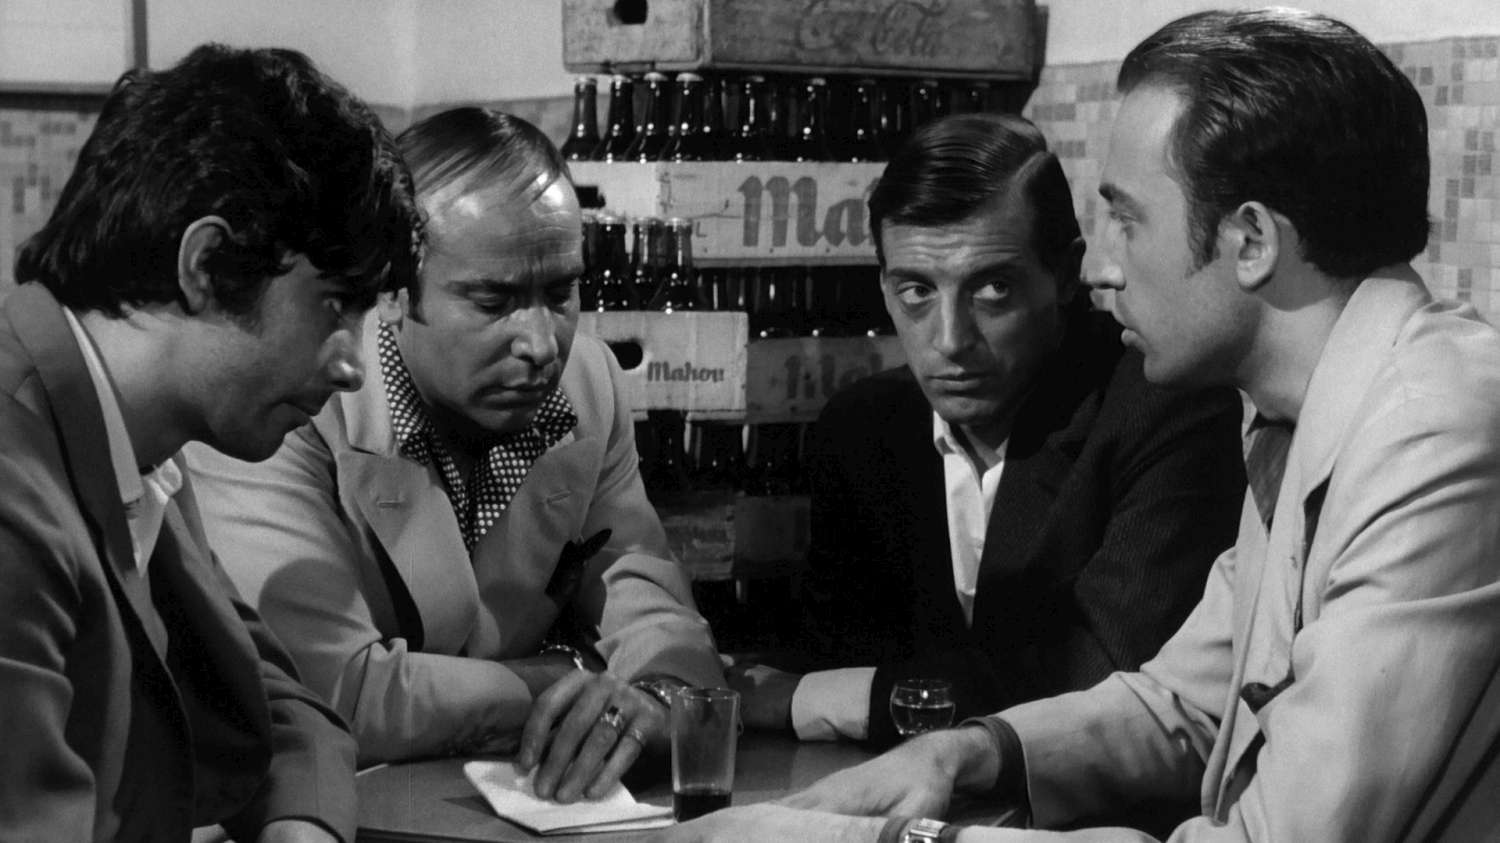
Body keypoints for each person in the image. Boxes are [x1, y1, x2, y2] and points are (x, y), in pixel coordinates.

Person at [661, 7, 1500, 842]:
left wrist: (887, 840)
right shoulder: (1303, 414)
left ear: (1250, 241)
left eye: (1129, 220)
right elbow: (1181, 701)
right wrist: (969, 750)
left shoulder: (1431, 433)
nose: (1103, 266)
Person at [185, 107, 725, 804]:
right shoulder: (288, 400)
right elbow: (331, 691)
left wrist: (655, 698)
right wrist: (568, 677)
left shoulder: (590, 383)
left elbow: (655, 614)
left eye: (560, 292)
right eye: (494, 301)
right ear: (393, 290)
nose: (541, 344)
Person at [728, 112, 1246, 761]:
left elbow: (1098, 683)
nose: (950, 340)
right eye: (916, 291)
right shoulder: (862, 430)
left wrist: (806, 698)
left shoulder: (1163, 407)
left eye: (992, 289)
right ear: (883, 287)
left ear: (1066, 275)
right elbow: (837, 652)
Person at [0, 45, 421, 843]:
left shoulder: (134, 439)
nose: (352, 366)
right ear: (207, 264)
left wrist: (301, 826)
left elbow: (272, 700)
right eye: (334, 304)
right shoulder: (14, 483)